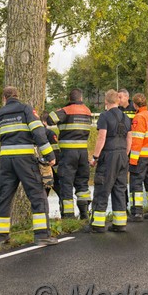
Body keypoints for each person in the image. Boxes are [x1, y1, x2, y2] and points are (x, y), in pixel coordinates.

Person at [0, 86, 57, 246]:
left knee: (4, 197)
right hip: (25, 159)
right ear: (17, 96)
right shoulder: (26, 110)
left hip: (5, 161)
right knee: (37, 195)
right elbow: (39, 133)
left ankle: (0, 238)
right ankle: (42, 235)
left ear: (4, 99)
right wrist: (50, 155)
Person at [84, 89, 132, 233]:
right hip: (123, 155)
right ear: (118, 101)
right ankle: (119, 224)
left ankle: (97, 225)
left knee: (102, 188)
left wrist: (95, 157)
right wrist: (125, 153)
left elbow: (101, 137)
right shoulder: (126, 118)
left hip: (109, 156)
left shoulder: (104, 116)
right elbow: (130, 138)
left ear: (106, 102)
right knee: (120, 188)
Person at [47, 88, 92, 219]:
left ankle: (68, 215)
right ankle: (84, 213)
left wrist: (60, 109)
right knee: (82, 183)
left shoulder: (66, 111)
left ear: (70, 99)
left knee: (66, 183)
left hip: (68, 153)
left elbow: (50, 119)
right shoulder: (88, 111)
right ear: (81, 98)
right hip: (83, 152)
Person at [40, 112, 61, 207]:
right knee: (61, 191)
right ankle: (65, 214)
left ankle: (43, 213)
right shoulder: (50, 133)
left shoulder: (33, 134)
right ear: (46, 121)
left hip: (39, 168)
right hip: (52, 168)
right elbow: (56, 152)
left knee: (43, 194)